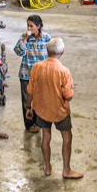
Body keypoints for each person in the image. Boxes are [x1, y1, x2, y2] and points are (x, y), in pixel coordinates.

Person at [26, 38, 84, 179]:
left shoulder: (36, 68)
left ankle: (47, 167)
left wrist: (29, 107)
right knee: (67, 137)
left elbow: (30, 91)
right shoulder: (64, 71)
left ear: (47, 51)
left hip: (41, 109)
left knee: (46, 136)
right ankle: (66, 170)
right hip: (60, 111)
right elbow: (68, 96)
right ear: (62, 52)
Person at [13, 15, 50, 133]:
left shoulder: (46, 38)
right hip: (26, 74)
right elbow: (18, 51)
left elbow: (53, 54)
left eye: (31, 26)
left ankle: (38, 121)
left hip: (41, 75)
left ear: (38, 26)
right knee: (26, 100)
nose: (29, 28)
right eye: (27, 26)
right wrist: (25, 39)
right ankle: (29, 124)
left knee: (40, 99)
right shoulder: (24, 37)